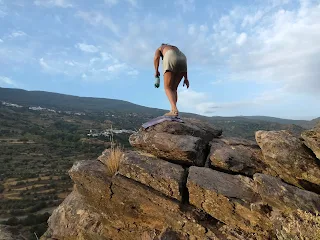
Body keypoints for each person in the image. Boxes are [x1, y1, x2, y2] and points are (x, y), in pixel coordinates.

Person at [153, 43, 189, 117]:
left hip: (170, 56)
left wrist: (156, 71)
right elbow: (178, 59)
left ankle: (174, 109)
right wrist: (186, 78)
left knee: (167, 87)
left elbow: (156, 58)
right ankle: (173, 110)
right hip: (183, 58)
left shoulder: (160, 48)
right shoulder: (174, 47)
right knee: (174, 88)